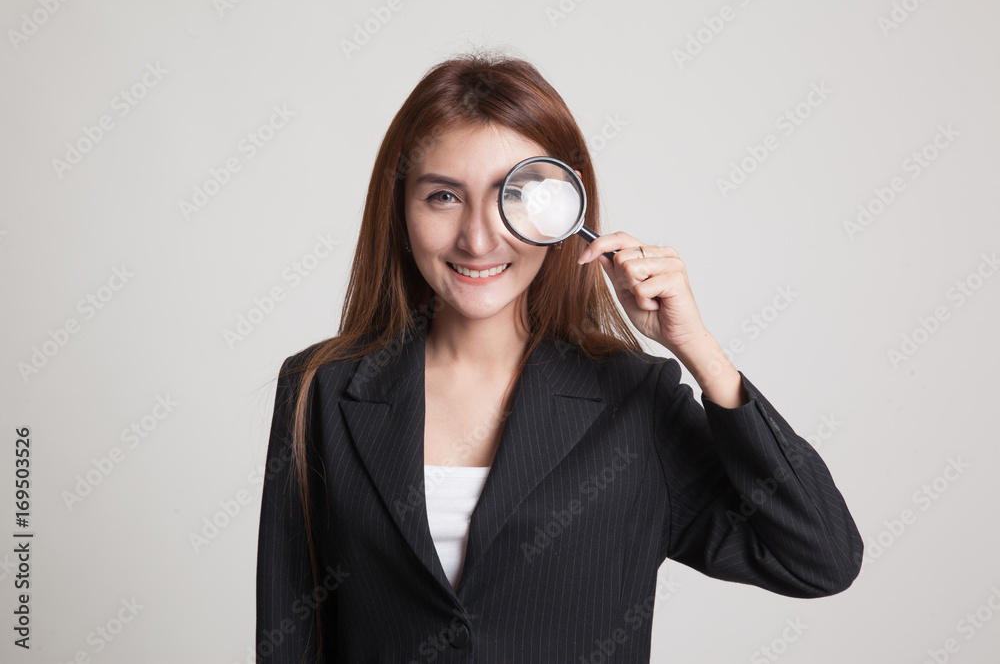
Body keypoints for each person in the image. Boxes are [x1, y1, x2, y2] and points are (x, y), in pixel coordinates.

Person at [255, 50, 863, 663]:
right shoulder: (320, 390)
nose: (478, 238)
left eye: (514, 196)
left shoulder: (636, 401)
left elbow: (819, 558)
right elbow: (290, 636)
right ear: (400, 211)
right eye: (443, 196)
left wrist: (698, 350)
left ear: (565, 212)